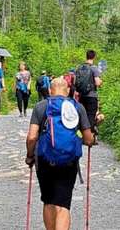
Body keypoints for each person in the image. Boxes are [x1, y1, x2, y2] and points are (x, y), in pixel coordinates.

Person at [25, 77, 94, 230]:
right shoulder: (77, 107)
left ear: (50, 90)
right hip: (68, 162)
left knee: (49, 201)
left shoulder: (40, 107)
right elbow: (88, 139)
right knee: (63, 205)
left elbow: (32, 137)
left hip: (45, 160)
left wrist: (30, 156)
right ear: (68, 90)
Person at [74, 50, 103, 134]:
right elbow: (97, 83)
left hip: (81, 95)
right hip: (91, 95)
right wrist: (101, 82)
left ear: (86, 56)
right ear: (94, 57)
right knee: (90, 115)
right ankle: (88, 135)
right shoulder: (94, 68)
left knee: (82, 114)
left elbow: (75, 82)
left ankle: (80, 132)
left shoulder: (79, 67)